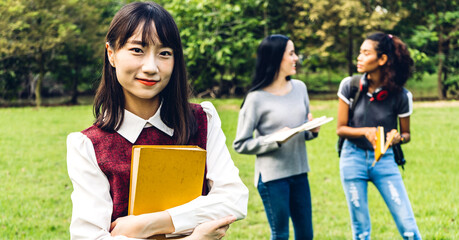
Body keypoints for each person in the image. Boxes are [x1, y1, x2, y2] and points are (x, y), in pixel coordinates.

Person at [66, 2, 248, 239]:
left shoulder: (202, 120)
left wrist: (150, 224)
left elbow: (233, 200)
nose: (151, 67)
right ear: (111, 54)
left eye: (164, 53)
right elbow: (89, 236)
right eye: (137, 50)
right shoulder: (89, 145)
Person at [233, 34, 319, 240]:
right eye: (291, 53)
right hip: (273, 178)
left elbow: (302, 132)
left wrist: (312, 131)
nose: (296, 58)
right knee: (280, 235)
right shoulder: (255, 99)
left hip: (299, 172)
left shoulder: (300, 88)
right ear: (275, 58)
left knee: (306, 234)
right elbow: (240, 144)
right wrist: (274, 140)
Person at [336, 32, 421, 239]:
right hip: (352, 158)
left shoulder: (402, 96)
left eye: (366, 53)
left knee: (408, 227)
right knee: (361, 231)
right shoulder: (350, 86)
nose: (359, 57)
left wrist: (397, 137)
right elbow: (340, 129)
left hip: (385, 160)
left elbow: (406, 133)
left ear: (382, 59)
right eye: (360, 52)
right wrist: (366, 131)